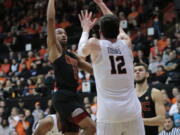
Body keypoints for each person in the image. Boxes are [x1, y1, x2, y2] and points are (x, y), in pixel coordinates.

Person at [77, 0, 145, 134]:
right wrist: (101, 4)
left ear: (100, 31)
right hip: (132, 111)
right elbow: (116, 24)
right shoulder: (126, 43)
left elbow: (80, 53)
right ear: (118, 28)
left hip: (108, 114)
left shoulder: (95, 45)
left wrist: (85, 30)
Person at [46, 0, 96, 134]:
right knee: (91, 127)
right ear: (53, 37)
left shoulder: (72, 55)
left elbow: (92, 70)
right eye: (59, 33)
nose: (63, 35)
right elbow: (51, 19)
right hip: (63, 97)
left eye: (65, 33)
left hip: (74, 96)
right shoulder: (55, 50)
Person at [134, 63, 166, 135]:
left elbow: (161, 120)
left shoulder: (155, 93)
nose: (137, 72)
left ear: (147, 74)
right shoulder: (129, 95)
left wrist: (139, 121)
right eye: (135, 71)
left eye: (140, 70)